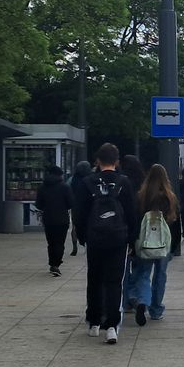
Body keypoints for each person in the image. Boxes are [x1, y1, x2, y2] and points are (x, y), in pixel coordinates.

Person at [76, 143, 138, 344]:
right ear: (117, 161)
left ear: (97, 161)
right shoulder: (124, 182)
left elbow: (80, 214)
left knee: (94, 280)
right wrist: (131, 239)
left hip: (95, 238)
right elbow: (131, 213)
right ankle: (111, 326)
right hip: (118, 239)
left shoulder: (87, 182)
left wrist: (83, 236)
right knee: (114, 282)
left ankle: (94, 322)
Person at [128, 164, 178, 324]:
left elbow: (134, 220)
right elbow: (176, 223)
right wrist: (174, 245)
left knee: (143, 273)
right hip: (164, 242)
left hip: (145, 241)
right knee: (160, 275)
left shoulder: (141, 196)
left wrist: (133, 241)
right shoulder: (170, 197)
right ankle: (156, 310)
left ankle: (143, 301)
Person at [119, 155, 147, 311]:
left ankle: (126, 300)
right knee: (140, 268)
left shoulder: (122, 183)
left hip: (126, 229)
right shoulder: (145, 184)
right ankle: (139, 298)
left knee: (124, 268)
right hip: (143, 230)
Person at [35, 165, 73, 277]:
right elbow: (71, 203)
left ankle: (52, 263)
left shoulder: (42, 187)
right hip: (62, 219)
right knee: (60, 242)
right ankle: (56, 264)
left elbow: (38, 204)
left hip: (48, 218)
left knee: (51, 242)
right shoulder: (65, 187)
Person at [68, 160, 92, 257]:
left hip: (76, 205)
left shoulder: (72, 179)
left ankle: (75, 246)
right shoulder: (90, 178)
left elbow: (68, 190)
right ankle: (87, 244)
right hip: (88, 205)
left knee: (75, 225)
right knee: (88, 224)